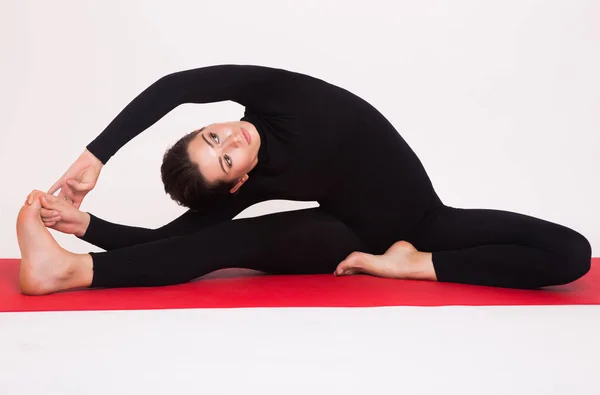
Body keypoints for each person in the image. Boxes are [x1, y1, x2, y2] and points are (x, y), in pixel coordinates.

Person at [17, 64, 591, 296]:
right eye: (223, 160)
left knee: (572, 254)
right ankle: (69, 270)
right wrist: (87, 226)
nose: (229, 142)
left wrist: (97, 154)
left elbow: (175, 84)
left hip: (426, 225)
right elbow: (172, 241)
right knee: (224, 244)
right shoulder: (255, 183)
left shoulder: (274, 97)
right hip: (343, 237)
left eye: (212, 136)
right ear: (236, 183)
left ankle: (413, 263)